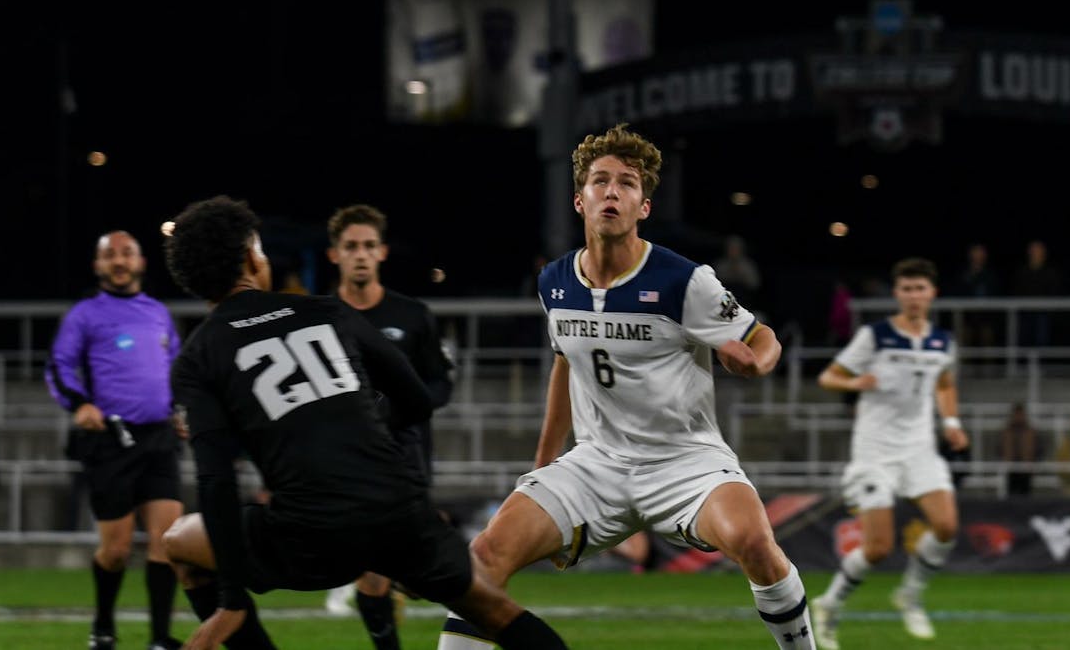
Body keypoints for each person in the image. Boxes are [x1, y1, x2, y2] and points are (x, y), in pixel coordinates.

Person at [435, 123, 816, 650]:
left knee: (754, 539)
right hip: (596, 465)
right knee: (484, 557)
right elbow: (565, 364)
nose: (612, 191)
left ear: (643, 207)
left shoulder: (683, 280)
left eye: (627, 183)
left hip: (686, 462)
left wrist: (755, 364)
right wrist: (543, 466)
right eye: (600, 181)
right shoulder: (555, 282)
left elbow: (762, 336)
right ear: (579, 199)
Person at [159, 194, 569, 650]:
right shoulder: (325, 311)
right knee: (494, 612)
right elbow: (415, 400)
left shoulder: (198, 355)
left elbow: (216, 481)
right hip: (397, 511)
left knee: (179, 542)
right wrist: (353, 424)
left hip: (310, 534)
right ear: (252, 258)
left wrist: (232, 597)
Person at [810, 257, 968, 649]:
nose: (914, 296)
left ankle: (910, 595)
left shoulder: (942, 341)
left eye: (921, 288)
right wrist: (856, 382)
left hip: (919, 449)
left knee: (947, 526)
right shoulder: (875, 336)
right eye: (907, 289)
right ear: (897, 294)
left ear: (933, 293)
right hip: (874, 453)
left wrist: (951, 423)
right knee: (879, 549)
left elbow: (944, 384)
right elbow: (829, 376)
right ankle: (829, 605)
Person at [319, 204, 456, 650]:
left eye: (368, 246)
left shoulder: (412, 315)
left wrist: (404, 407)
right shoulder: (316, 317)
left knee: (416, 572)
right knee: (373, 567)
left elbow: (439, 382)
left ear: (382, 253)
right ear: (334, 255)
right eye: (351, 246)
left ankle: (404, 583)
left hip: (406, 453)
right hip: (345, 458)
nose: (361, 254)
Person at [44, 230, 185, 650]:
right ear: (98, 266)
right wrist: (80, 405)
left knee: (168, 544)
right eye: (110, 255)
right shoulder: (85, 315)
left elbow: (176, 367)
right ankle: (103, 626)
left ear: (141, 262)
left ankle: (160, 639)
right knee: (117, 551)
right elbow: (59, 366)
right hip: (112, 440)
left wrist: (181, 411)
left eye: (127, 254)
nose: (119, 261)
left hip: (159, 438)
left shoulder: (159, 313)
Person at [1010, 240, 1063, 349]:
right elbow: (1016, 292)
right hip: (1025, 313)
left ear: (1044, 253)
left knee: (1042, 341)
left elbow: (1054, 293)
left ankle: (1041, 364)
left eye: (1038, 250)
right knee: (1023, 341)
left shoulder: (1051, 273)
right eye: (1033, 250)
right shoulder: (1022, 272)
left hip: (1043, 314)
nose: (1035, 253)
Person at [998, 403, 1040, 497]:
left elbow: (1038, 449)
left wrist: (1032, 461)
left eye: (1020, 414)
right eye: (1017, 414)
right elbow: (999, 448)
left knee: (1026, 494)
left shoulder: (1030, 431)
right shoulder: (1007, 431)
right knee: (1011, 494)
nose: (1018, 417)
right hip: (1011, 467)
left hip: (1026, 467)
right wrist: (1005, 459)